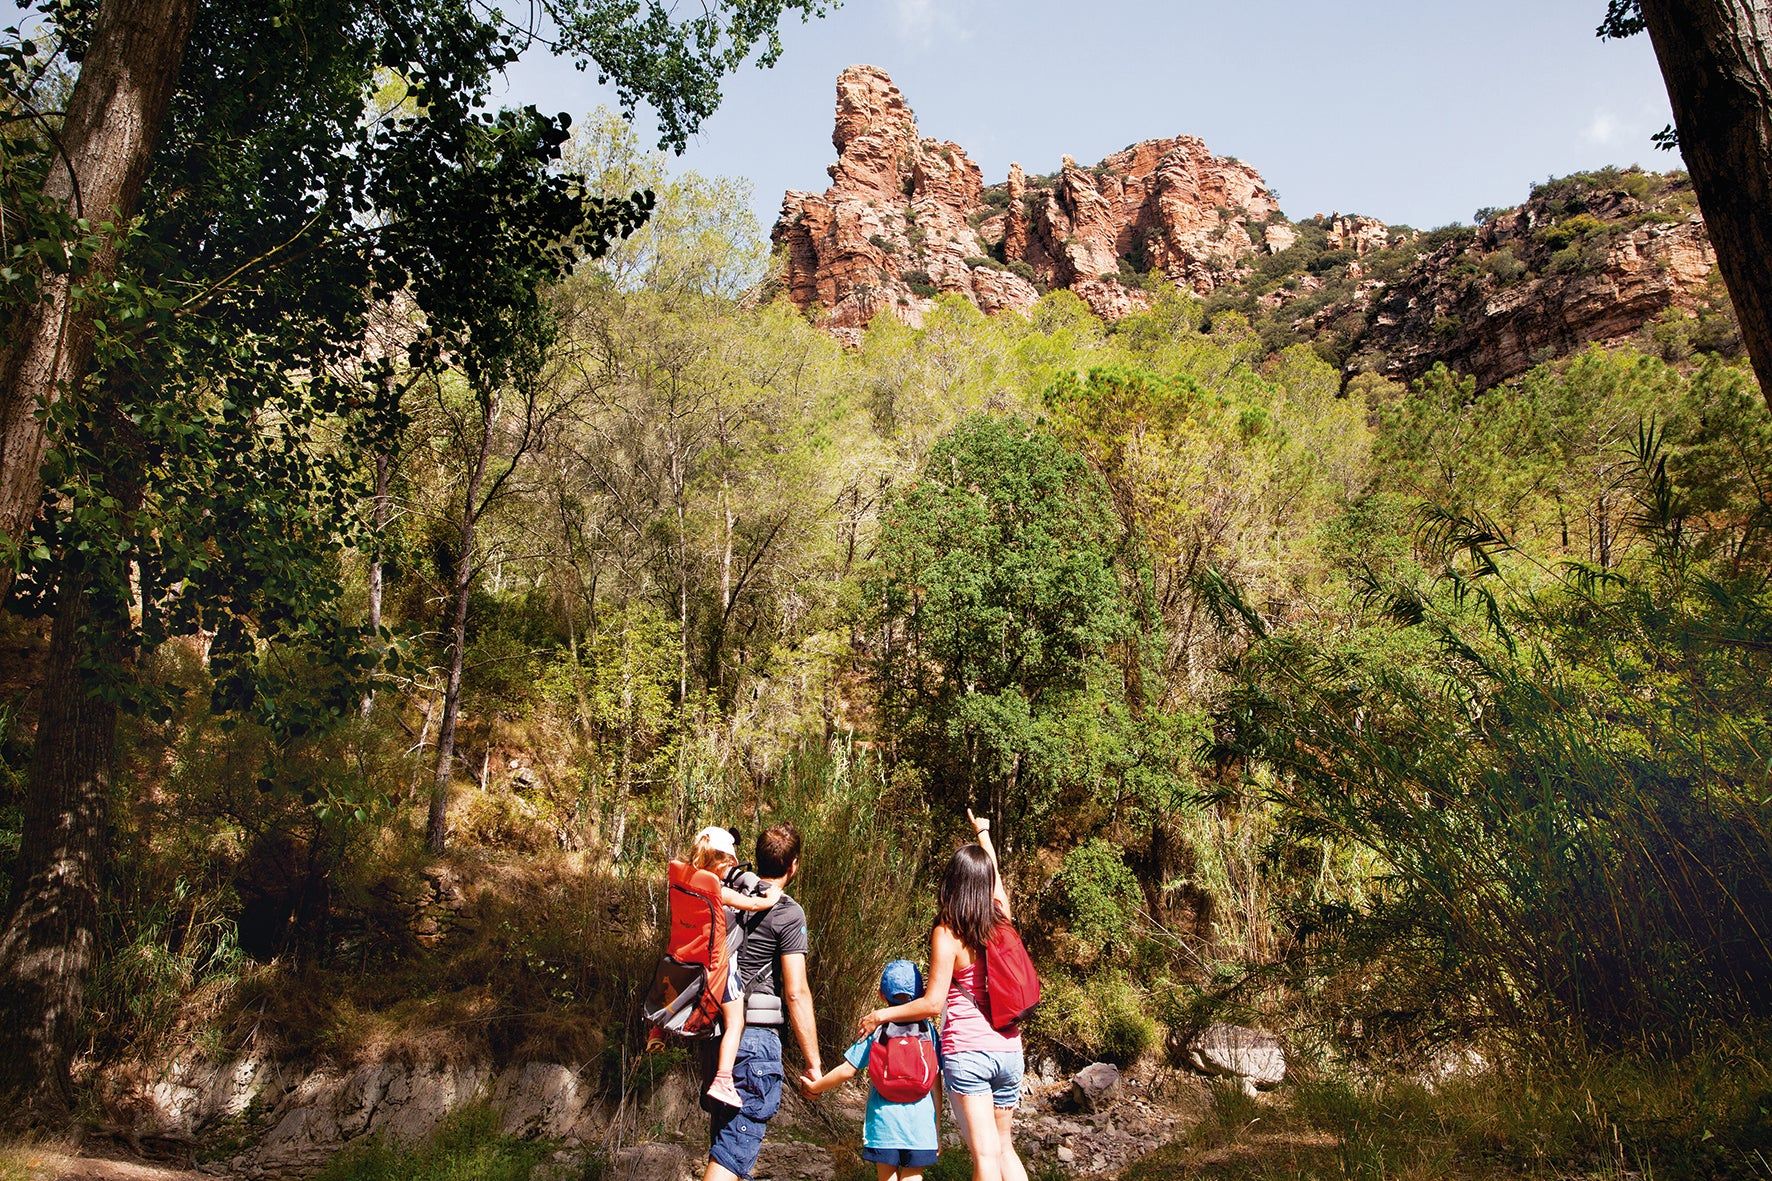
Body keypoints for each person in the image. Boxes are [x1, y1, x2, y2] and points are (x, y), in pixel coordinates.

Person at [859, 811, 1025, 1181]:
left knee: (983, 1154)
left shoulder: (948, 931)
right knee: (1004, 1147)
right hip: (1009, 1049)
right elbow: (995, 880)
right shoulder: (1001, 917)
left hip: (969, 1053)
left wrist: (881, 1016)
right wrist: (984, 835)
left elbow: (933, 1003)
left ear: (951, 882)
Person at [702, 822, 819, 1181]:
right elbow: (796, 992)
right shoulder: (786, 911)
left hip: (719, 1036)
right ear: (793, 865)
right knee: (729, 1159)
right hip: (755, 1043)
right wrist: (814, 1063)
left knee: (728, 1146)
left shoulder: (726, 892)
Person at [799, 960, 942, 1181]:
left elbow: (847, 1070)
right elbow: (935, 1080)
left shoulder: (876, 1030)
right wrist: (936, 1126)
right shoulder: (929, 1031)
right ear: (922, 994)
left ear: (880, 995)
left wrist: (816, 1087)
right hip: (921, 1126)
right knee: (913, 1177)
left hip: (884, 1124)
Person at [687, 826, 783, 1108]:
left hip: (693, 965)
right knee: (735, 1022)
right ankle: (724, 1080)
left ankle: (658, 1031)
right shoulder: (717, 889)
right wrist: (772, 897)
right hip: (721, 968)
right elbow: (752, 904)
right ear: (723, 862)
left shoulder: (688, 882)